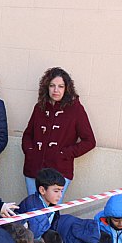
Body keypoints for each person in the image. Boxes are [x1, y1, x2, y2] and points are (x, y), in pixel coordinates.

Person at [22, 67, 95, 200]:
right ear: (46, 87)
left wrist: (65, 154)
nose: (56, 90)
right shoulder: (39, 107)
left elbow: (89, 141)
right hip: (34, 169)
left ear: (67, 88)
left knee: (50, 213)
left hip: (59, 171)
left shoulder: (76, 110)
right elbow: (28, 135)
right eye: (52, 86)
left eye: (60, 86)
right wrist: (30, 151)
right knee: (33, 211)